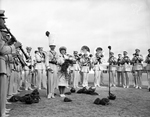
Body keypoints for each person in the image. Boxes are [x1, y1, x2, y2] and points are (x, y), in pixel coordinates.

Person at [0, 9, 22, 117]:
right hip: (1, 63)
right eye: (3, 20)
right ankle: (1, 111)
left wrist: (10, 43)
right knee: (2, 89)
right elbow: (2, 50)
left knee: (3, 89)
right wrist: (14, 46)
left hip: (3, 63)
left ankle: (2, 109)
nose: (4, 23)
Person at [45, 31, 59, 99]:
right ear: (50, 46)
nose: (52, 47)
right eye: (51, 46)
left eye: (53, 46)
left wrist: (57, 62)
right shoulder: (47, 52)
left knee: (54, 80)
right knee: (49, 80)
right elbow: (46, 60)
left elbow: (58, 60)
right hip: (50, 65)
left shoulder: (56, 53)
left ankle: (52, 93)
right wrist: (47, 66)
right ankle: (49, 93)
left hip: (55, 66)